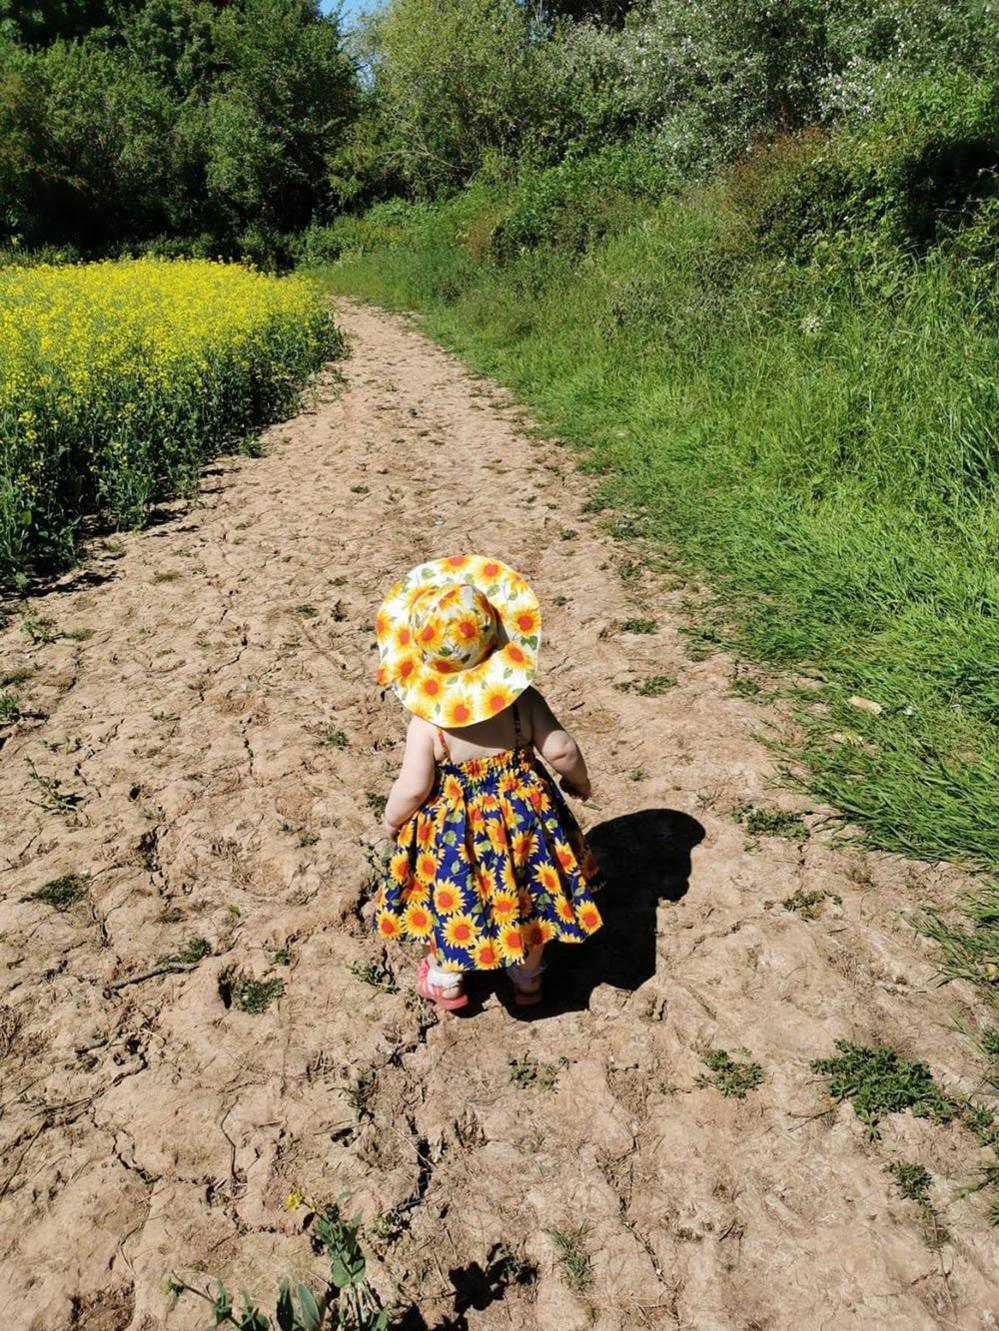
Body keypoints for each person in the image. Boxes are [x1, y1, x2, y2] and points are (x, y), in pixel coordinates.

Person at [372, 554, 603, 1011]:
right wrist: (580, 782)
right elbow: (561, 749)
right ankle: (528, 978)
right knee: (528, 893)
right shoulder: (523, 701)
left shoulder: (429, 722)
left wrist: (392, 819)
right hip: (525, 819)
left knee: (450, 896)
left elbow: (414, 787)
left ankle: (448, 979)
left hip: (456, 831)